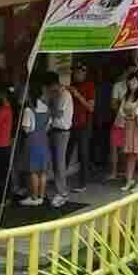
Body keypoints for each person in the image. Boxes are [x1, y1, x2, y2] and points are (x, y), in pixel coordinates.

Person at [44, 71, 73, 208]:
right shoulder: (56, 94)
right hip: (54, 131)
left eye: (49, 87)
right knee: (55, 162)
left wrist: (47, 107)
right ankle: (58, 189)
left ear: (53, 84)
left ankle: (63, 193)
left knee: (60, 163)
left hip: (62, 132)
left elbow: (58, 113)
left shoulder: (64, 94)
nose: (48, 90)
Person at [18, 81, 50, 207]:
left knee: (33, 171)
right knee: (42, 171)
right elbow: (48, 125)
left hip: (32, 141)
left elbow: (26, 128)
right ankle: (41, 197)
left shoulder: (28, 109)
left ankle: (34, 197)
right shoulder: (46, 107)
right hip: (44, 140)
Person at [66, 62, 95, 193]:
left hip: (84, 125)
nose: (76, 74)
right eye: (75, 72)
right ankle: (61, 180)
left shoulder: (89, 86)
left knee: (83, 154)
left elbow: (91, 107)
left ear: (84, 73)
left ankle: (83, 182)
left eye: (79, 72)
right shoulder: (70, 85)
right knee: (66, 153)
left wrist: (77, 95)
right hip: (70, 124)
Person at [118, 71, 138, 193]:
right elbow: (120, 111)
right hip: (128, 127)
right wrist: (129, 115)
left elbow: (137, 112)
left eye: (135, 81)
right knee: (130, 154)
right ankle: (129, 180)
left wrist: (129, 115)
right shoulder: (126, 95)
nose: (132, 83)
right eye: (130, 81)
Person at [107, 64, 137, 181]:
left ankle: (127, 174)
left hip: (131, 124)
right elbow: (113, 105)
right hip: (119, 121)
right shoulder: (119, 86)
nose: (131, 79)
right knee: (114, 146)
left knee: (128, 149)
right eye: (130, 73)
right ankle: (114, 172)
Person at [0, 88, 13, 206]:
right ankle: (5, 197)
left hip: (1, 146)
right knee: (4, 172)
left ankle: (3, 198)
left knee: (2, 174)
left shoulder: (3, 110)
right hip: (5, 145)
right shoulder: (8, 109)